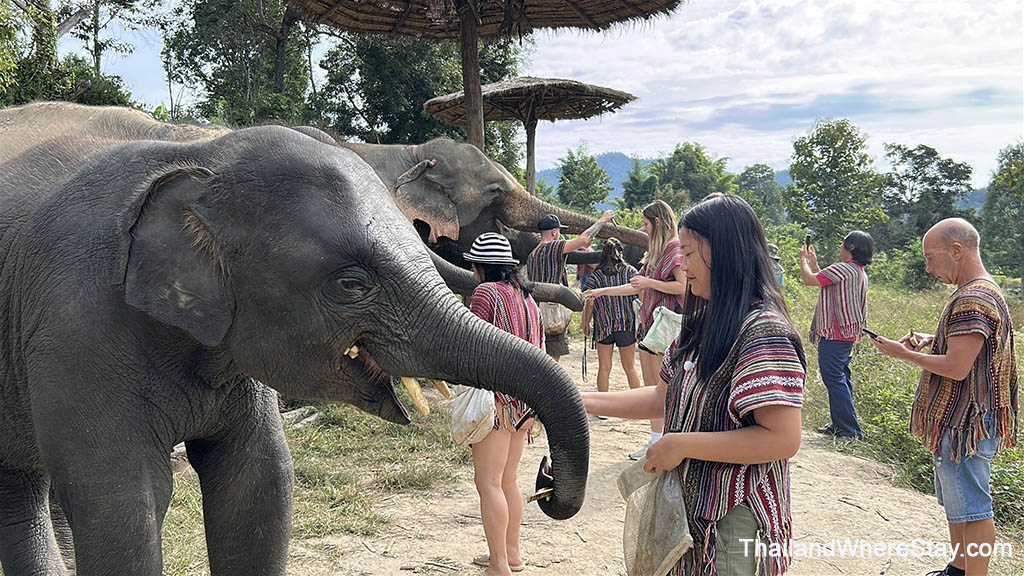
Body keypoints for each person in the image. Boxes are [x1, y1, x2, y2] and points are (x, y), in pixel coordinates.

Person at [583, 195, 806, 576]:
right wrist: (579, 400)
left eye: (687, 253)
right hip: (694, 515)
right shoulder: (703, 323)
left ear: (724, 252)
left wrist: (681, 444)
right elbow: (662, 397)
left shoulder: (763, 332)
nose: (683, 266)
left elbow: (782, 439)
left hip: (733, 518)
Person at [871, 218, 1017, 576]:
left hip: (966, 421)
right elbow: (970, 351)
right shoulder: (983, 290)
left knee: (974, 507)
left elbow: (956, 367)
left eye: (930, 257)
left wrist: (903, 354)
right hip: (967, 417)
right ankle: (958, 567)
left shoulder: (972, 299)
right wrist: (933, 340)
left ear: (956, 250)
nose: (928, 267)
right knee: (960, 503)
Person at [464, 232, 543, 576]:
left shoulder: (486, 293)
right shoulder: (528, 298)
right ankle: (511, 554)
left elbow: (473, 342)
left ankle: (498, 565)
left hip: (496, 402)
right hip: (524, 404)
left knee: (489, 483)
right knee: (508, 479)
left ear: (481, 268)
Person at [585, 200, 687, 460]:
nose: (644, 229)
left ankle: (666, 440)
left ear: (658, 222)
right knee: (653, 386)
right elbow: (636, 286)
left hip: (665, 329)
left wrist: (651, 282)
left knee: (662, 387)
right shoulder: (657, 252)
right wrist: (602, 292)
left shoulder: (674, 249)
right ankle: (655, 440)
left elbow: (682, 286)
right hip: (650, 328)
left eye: (646, 224)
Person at [800, 230, 873, 440]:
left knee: (833, 378)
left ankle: (849, 430)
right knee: (841, 378)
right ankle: (841, 425)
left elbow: (810, 280)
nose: (840, 247)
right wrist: (814, 264)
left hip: (835, 333)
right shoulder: (856, 271)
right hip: (846, 334)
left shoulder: (843, 268)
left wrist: (803, 260)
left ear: (851, 247)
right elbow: (825, 279)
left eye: (842, 244)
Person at [527, 210, 614, 361]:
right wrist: (602, 220)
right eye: (559, 231)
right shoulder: (553, 247)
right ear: (554, 232)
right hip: (552, 313)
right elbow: (585, 239)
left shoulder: (533, 253)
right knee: (551, 362)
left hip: (534, 311)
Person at [582, 238, 642, 404]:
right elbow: (641, 293)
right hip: (626, 325)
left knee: (604, 368)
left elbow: (589, 301)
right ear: (621, 253)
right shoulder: (630, 272)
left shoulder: (596, 276)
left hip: (603, 325)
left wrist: (586, 324)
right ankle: (638, 403)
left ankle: (602, 407)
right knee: (630, 367)